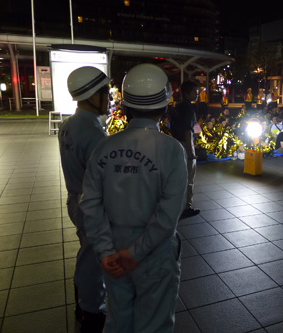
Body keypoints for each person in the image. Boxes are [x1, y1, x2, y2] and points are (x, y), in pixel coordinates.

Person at [80, 63, 187, 332]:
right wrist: (136, 253)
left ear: (125, 107)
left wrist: (106, 252)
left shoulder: (104, 147)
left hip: (113, 251)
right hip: (156, 254)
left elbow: (90, 205)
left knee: (117, 320)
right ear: (165, 106)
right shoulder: (172, 150)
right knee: (154, 324)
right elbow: (167, 216)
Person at [58, 66, 109, 332]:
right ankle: (91, 312)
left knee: (85, 253)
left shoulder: (68, 125)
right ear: (91, 95)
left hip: (75, 199)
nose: (109, 98)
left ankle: (82, 303)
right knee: (94, 261)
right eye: (105, 92)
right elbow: (104, 180)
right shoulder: (94, 134)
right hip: (91, 206)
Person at [170, 80, 201, 219]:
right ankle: (186, 207)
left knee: (179, 177)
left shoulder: (177, 106)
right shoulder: (188, 108)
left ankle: (177, 205)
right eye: (195, 91)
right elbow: (188, 131)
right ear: (188, 93)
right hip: (185, 144)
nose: (198, 94)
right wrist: (191, 152)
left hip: (176, 143)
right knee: (189, 178)